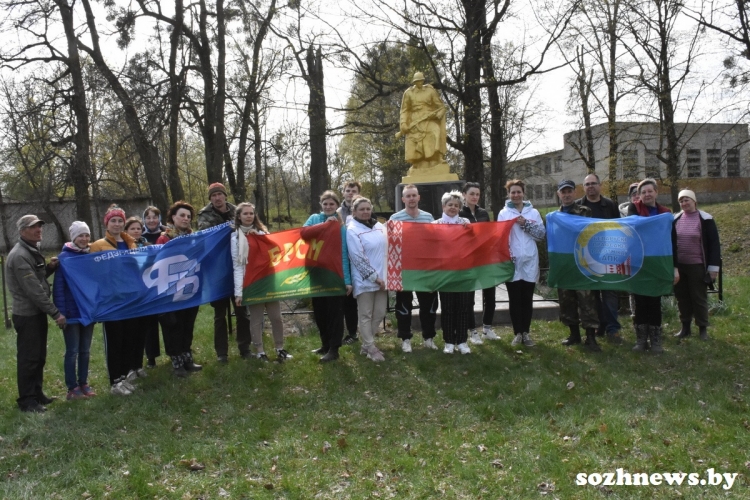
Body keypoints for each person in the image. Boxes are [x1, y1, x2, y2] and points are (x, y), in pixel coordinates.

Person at [6, 215, 66, 412]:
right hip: (27, 315)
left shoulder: (31, 250)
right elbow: (34, 292)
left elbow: (38, 280)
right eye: (34, 227)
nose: (39, 230)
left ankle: (37, 393)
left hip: (36, 313)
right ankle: (26, 400)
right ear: (22, 231)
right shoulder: (20, 255)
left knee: (39, 356)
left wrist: (49, 268)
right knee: (29, 358)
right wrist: (55, 313)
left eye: (40, 226)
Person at [90, 205, 141, 394]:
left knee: (128, 339)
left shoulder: (131, 244)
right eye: (113, 220)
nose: (117, 224)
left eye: (120, 220)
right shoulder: (98, 245)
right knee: (114, 341)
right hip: (112, 301)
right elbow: (94, 273)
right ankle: (114, 382)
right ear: (107, 223)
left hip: (130, 299)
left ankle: (123, 377)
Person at [232, 202, 292, 362]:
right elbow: (237, 266)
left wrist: (258, 236)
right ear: (239, 216)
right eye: (245, 214)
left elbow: (276, 249)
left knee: (276, 317)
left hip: (269, 281)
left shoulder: (262, 232)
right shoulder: (235, 237)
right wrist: (239, 292)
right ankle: (260, 351)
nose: (248, 216)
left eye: (251, 213)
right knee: (256, 319)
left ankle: (280, 348)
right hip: (252, 283)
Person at [197, 182, 251, 363]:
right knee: (219, 314)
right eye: (213, 195)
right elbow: (206, 235)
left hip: (237, 266)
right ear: (210, 198)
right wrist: (226, 228)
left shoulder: (238, 211)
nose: (217, 198)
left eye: (219, 194)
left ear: (225, 196)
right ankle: (222, 353)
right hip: (216, 270)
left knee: (242, 311)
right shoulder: (204, 215)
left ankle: (245, 347)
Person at [627, 178, 680, 353]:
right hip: (639, 263)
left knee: (654, 301)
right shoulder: (634, 209)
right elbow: (632, 227)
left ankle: (656, 340)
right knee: (640, 301)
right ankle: (641, 340)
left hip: (657, 263)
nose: (647, 194)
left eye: (650, 191)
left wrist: (675, 267)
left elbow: (672, 241)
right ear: (639, 195)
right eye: (643, 192)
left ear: (656, 192)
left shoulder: (665, 214)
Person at [389, 185, 440, 353]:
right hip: (405, 270)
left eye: (414, 195)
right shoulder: (395, 218)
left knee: (429, 305)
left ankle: (428, 338)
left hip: (426, 269)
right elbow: (391, 244)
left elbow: (434, 241)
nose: (411, 198)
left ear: (419, 198)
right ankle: (405, 339)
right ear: (403, 199)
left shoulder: (428, 217)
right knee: (404, 306)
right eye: (408, 196)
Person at [304, 190, 353, 362]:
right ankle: (325, 344)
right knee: (320, 313)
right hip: (317, 273)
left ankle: (334, 348)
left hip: (335, 275)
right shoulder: (314, 219)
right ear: (321, 205)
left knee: (335, 314)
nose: (328, 207)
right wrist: (324, 226)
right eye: (325, 204)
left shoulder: (342, 228)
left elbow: (344, 254)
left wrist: (347, 280)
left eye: (332, 204)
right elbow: (304, 234)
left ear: (336, 206)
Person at [553, 180, 602, 352]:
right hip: (565, 264)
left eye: (569, 191)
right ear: (559, 194)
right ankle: (574, 334)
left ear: (574, 193)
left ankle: (590, 336)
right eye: (563, 192)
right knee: (567, 299)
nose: (566, 195)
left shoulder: (584, 212)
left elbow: (590, 233)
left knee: (587, 299)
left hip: (582, 262)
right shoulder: (554, 217)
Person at [156, 201, 204, 375]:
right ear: (173, 217)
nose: (185, 219)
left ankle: (187, 357)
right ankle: (176, 361)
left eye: (189, 217)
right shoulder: (164, 238)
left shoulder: (194, 238)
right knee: (173, 326)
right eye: (182, 215)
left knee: (187, 325)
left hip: (190, 288)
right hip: (171, 291)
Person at [497, 179, 546, 348]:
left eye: (518, 192)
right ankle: (517, 332)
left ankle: (526, 332)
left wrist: (525, 224)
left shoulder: (533, 213)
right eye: (513, 192)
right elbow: (500, 238)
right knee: (514, 299)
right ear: (508, 195)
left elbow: (541, 235)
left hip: (530, 261)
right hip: (513, 262)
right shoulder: (504, 213)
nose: (516, 195)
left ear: (523, 193)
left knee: (527, 299)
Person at [576, 173, 623, 344]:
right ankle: (598, 326)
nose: (590, 187)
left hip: (608, 255)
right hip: (586, 256)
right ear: (584, 187)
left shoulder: (609, 205)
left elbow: (619, 228)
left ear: (600, 185)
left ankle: (613, 329)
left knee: (609, 293)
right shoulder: (578, 206)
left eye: (593, 183)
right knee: (592, 295)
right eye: (587, 184)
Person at [53, 221, 97, 401]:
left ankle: (83, 383)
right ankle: (72, 387)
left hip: (87, 311)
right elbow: (59, 289)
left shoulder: (90, 256)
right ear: (73, 238)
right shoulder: (64, 259)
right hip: (70, 313)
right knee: (72, 351)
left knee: (85, 350)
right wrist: (61, 313)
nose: (84, 239)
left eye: (87, 235)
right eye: (80, 235)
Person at [672, 189, 720, 341]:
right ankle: (685, 327)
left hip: (697, 265)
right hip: (680, 266)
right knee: (682, 297)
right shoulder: (676, 219)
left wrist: (713, 269)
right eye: (681, 201)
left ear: (694, 201)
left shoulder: (705, 219)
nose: (684, 203)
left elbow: (714, 245)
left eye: (687, 200)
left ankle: (702, 328)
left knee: (699, 298)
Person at [346, 197, 388, 363]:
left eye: (367, 209)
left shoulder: (379, 226)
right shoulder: (352, 229)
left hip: (383, 279)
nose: (365, 212)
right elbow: (357, 257)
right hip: (365, 280)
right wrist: (374, 277)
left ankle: (366, 344)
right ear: (354, 211)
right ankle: (371, 347)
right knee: (365, 314)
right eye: (361, 209)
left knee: (379, 313)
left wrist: (384, 277)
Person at [459, 182, 499, 344]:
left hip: (485, 260)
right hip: (469, 261)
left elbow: (488, 234)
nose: (475, 197)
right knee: (469, 298)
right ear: (464, 195)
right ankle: (472, 331)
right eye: (471, 194)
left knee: (490, 295)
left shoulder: (483, 213)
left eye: (477, 194)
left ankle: (487, 328)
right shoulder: (460, 214)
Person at [432, 191, 472, 354]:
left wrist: (470, 231)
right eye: (450, 205)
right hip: (445, 272)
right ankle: (449, 341)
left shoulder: (466, 222)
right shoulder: (436, 224)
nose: (453, 208)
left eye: (456, 205)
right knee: (447, 307)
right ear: (443, 206)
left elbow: (473, 242)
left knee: (463, 306)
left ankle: (462, 341)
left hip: (463, 272)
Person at [398, 72, 448, 171]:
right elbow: (404, 110)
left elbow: (440, 106)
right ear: (414, 82)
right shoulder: (408, 93)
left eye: (421, 81)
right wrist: (403, 123)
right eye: (417, 81)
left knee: (436, 131)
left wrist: (439, 114)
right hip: (415, 121)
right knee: (414, 137)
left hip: (428, 119)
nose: (419, 83)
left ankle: (436, 158)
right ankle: (418, 162)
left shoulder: (430, 91)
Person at [338, 181, 362, 344]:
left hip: (360, 261)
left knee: (359, 300)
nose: (351, 193)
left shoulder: (364, 209)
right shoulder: (337, 212)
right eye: (348, 190)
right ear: (343, 193)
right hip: (342, 260)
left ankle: (359, 332)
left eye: (354, 191)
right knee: (346, 300)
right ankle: (347, 332)